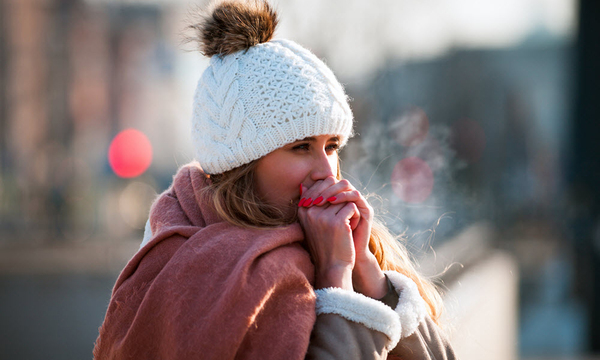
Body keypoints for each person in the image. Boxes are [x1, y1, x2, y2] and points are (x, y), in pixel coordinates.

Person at [94, 1, 457, 359]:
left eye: (331, 146)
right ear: (242, 166)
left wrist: (368, 274)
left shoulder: (348, 243)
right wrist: (336, 280)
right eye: (301, 147)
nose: (327, 172)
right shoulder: (187, 264)